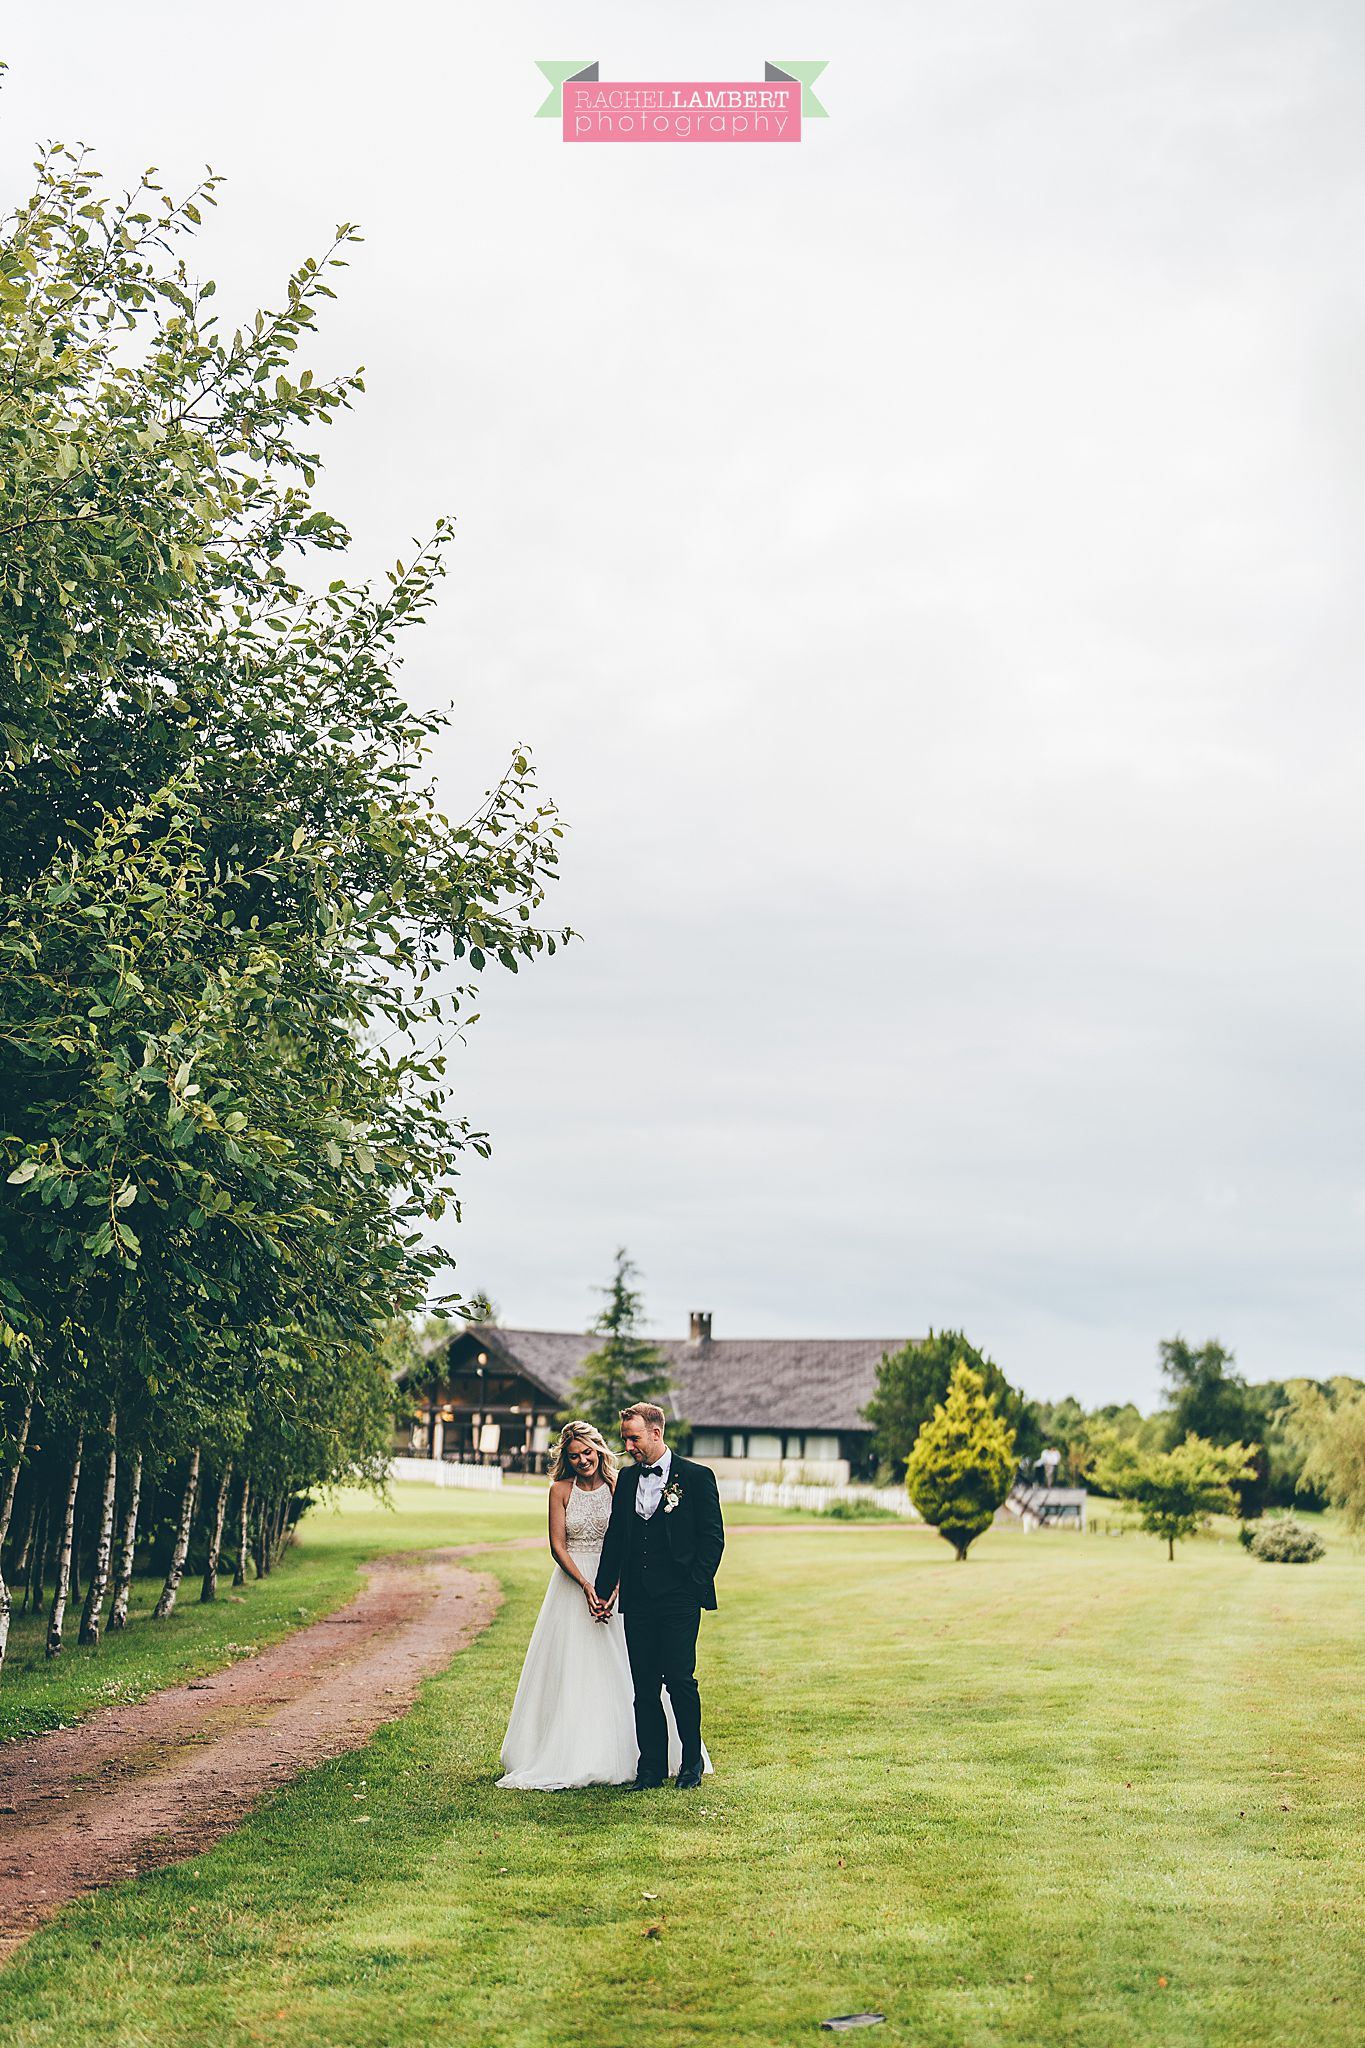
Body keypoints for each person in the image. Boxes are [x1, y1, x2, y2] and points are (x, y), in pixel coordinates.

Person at [495, 1420, 709, 1790]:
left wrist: (612, 1589)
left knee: (653, 1677)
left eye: (588, 1452)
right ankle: (612, 1759)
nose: (582, 1460)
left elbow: (634, 1541)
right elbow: (559, 1544)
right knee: (593, 1674)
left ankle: (675, 1761)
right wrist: (588, 1585)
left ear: (599, 1450)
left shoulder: (620, 1483)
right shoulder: (569, 1489)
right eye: (574, 1455)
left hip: (628, 1588)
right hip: (579, 1585)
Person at [593, 1401, 725, 1791]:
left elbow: (712, 1539)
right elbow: (616, 1536)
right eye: (625, 1440)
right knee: (644, 1685)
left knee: (681, 1680)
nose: (628, 1446)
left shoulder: (697, 1477)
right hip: (639, 1599)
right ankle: (649, 1768)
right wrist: (603, 1590)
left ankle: (690, 1765)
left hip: (679, 1599)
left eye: (633, 1438)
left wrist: (693, 1586)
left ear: (655, 1432)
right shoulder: (628, 1480)